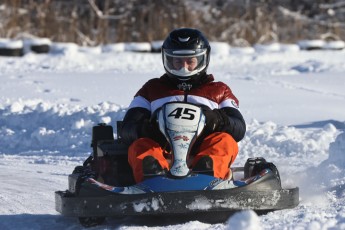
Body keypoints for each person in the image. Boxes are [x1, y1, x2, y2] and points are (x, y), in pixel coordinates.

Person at [119, 28, 246, 183]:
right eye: (177, 62)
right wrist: (147, 127)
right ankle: (152, 181)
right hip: (165, 154)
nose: (183, 67)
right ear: (168, 60)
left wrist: (217, 119)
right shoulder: (151, 89)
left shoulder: (219, 90)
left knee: (224, 141)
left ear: (202, 59)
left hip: (201, 151)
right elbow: (127, 128)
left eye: (190, 61)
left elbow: (239, 128)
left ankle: (207, 177)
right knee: (140, 145)